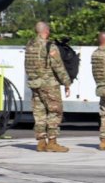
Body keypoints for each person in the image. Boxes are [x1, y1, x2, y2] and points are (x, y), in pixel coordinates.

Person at [24, 21, 72, 152]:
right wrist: (67, 83)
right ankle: (52, 142)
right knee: (55, 112)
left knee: (39, 113)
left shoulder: (30, 45)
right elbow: (58, 66)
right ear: (46, 31)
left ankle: (41, 142)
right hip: (48, 84)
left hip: (34, 83)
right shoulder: (49, 46)